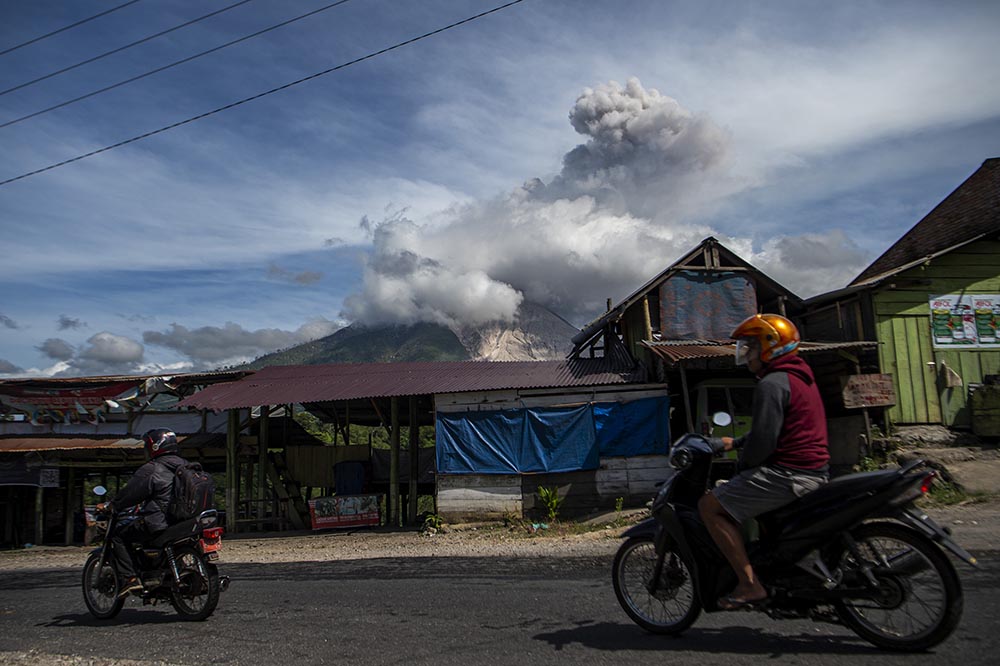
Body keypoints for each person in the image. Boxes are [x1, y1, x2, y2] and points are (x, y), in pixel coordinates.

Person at [698, 313, 830, 610]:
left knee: (709, 506)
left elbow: (764, 441)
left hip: (790, 474)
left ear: (771, 347)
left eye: (752, 347)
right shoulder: (799, 376)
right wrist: (736, 442)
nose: (746, 354)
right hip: (813, 469)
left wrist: (741, 467)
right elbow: (775, 429)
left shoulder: (771, 384)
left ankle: (749, 584)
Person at [97, 428, 185, 597]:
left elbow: (130, 493)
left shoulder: (152, 469)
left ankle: (130, 579)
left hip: (160, 521)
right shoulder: (186, 466)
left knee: (118, 535)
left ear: (154, 446)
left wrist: (112, 505)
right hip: (182, 521)